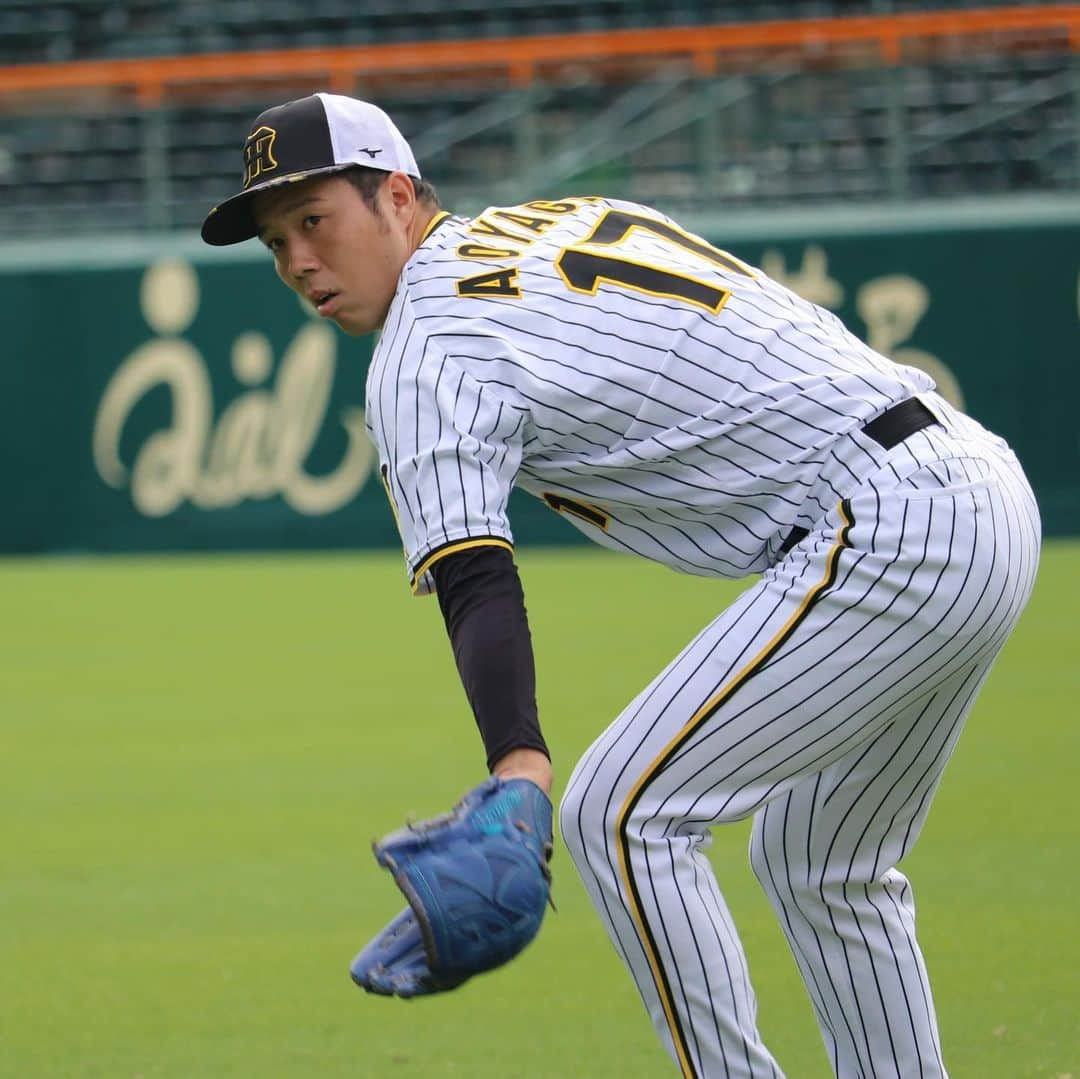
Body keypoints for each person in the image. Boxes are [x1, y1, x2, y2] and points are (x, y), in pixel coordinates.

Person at [202, 92, 1040, 1078]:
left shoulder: (426, 346)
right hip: (974, 488)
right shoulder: (543, 223)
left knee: (620, 810)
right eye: (274, 240)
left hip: (891, 524)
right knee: (824, 861)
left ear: (396, 194)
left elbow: (476, 577)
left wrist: (520, 765)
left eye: (315, 220)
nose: (298, 260)